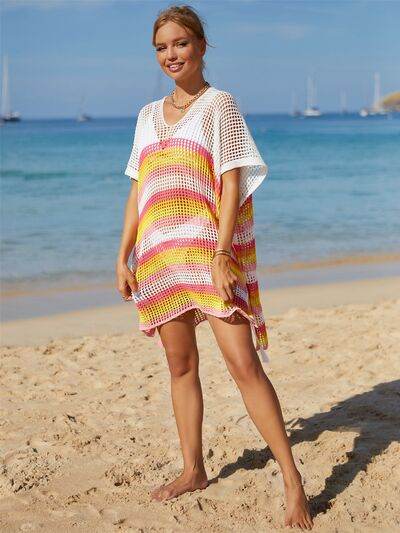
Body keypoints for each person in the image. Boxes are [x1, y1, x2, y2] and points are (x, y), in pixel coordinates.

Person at [116, 5, 313, 530]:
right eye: (161, 47)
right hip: (159, 258)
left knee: (244, 366)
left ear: (201, 47)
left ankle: (292, 480)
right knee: (180, 367)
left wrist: (224, 253)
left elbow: (230, 182)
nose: (171, 55)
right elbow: (138, 189)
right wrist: (123, 255)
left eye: (180, 43)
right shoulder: (146, 116)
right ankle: (193, 469)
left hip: (207, 255)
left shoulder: (219, 106)